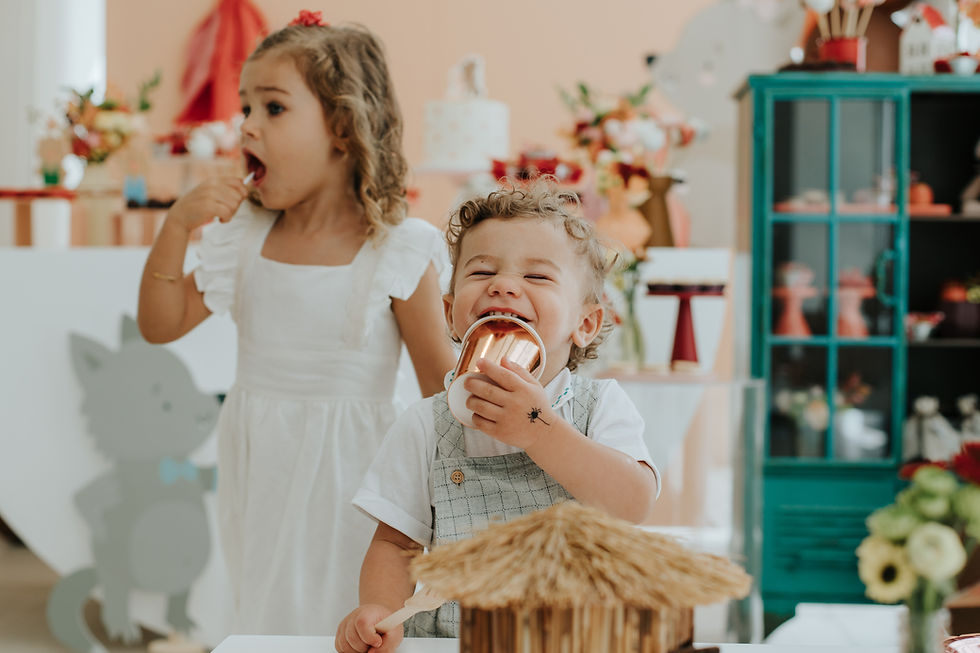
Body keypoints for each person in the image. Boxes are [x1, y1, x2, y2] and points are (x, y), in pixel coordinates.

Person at [136, 14, 457, 635]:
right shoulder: (245, 238)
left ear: (341, 127)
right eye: (245, 107)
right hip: (263, 463)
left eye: (273, 108)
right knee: (267, 606)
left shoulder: (398, 247)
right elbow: (160, 324)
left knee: (343, 608)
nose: (247, 125)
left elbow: (439, 392)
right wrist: (177, 229)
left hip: (358, 476)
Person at [335, 180, 661, 652]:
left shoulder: (600, 405)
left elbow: (633, 504)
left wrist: (541, 430)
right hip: (456, 641)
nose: (503, 285)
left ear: (585, 324)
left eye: (538, 277)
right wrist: (380, 614)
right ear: (451, 315)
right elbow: (396, 545)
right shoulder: (427, 423)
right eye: (482, 271)